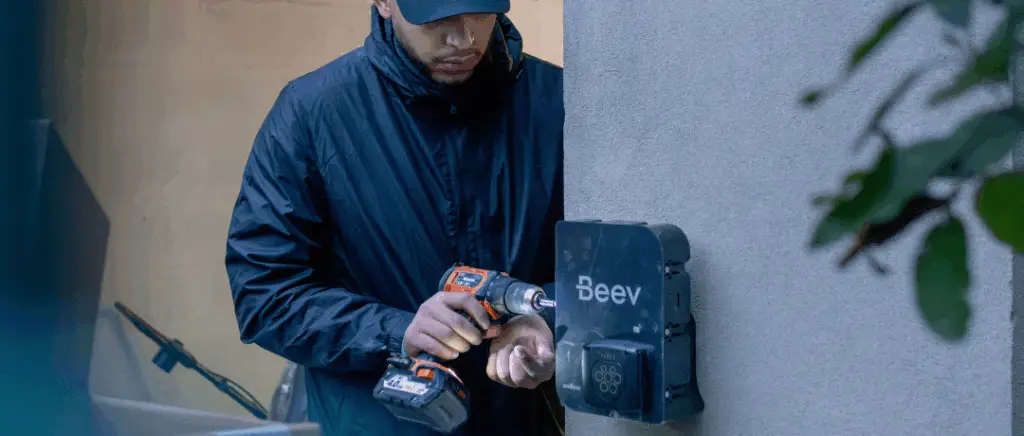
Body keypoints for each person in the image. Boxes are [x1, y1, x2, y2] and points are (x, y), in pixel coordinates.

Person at [223, 0, 564, 434]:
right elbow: (264, 294)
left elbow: (614, 273)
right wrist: (396, 332)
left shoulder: (561, 102)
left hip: (528, 423)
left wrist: (549, 318)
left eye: (480, 12)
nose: (464, 39)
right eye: (437, 19)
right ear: (386, 3)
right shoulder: (311, 115)